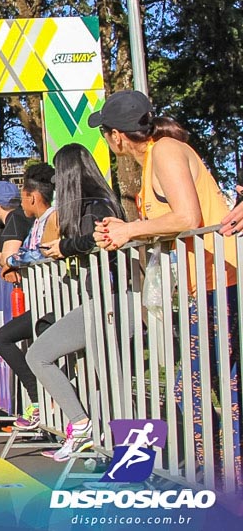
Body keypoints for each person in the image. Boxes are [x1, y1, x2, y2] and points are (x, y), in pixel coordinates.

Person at [90, 90, 238, 482]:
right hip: (209, 284)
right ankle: (227, 477)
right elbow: (175, 228)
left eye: (105, 134)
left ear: (116, 137)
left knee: (189, 390)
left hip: (222, 282)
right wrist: (125, 234)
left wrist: (132, 229)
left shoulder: (167, 151)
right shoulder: (155, 158)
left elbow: (188, 217)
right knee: (223, 386)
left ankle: (212, 477)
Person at [21, 143, 126, 460]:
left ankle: (82, 427)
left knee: (39, 355)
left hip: (111, 303)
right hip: (102, 302)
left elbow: (97, 241)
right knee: (107, 376)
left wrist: (66, 247)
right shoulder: (99, 203)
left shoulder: (96, 206)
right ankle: (102, 439)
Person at [0, 165, 54, 436]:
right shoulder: (38, 220)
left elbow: (12, 259)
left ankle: (38, 400)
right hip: (49, 298)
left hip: (46, 301)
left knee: (7, 341)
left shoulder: (19, 219)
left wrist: (6, 259)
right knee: (42, 352)